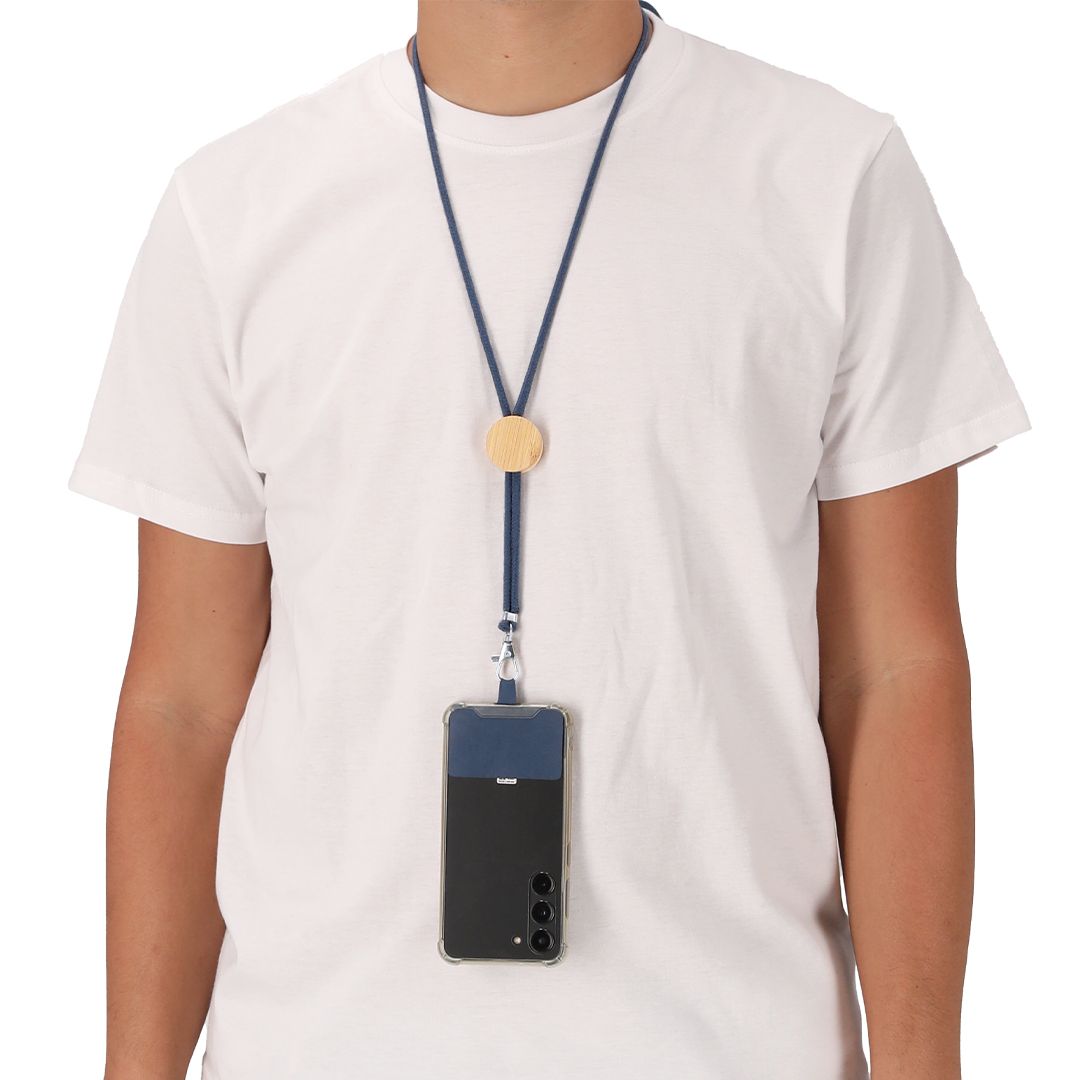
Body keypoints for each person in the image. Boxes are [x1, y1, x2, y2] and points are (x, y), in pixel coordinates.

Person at [71, 2, 1029, 1078]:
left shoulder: (835, 177)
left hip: (733, 1044)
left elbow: (893, 673)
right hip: (320, 1044)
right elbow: (183, 707)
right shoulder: (232, 209)